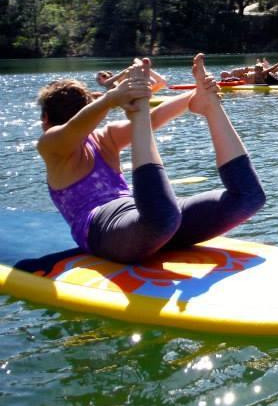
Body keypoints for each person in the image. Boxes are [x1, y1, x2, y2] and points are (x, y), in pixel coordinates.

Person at [37, 54, 265, 264]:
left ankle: (210, 107)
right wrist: (112, 99)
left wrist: (197, 94)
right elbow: (73, 128)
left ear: (45, 118)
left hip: (134, 223)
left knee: (248, 198)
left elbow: (153, 119)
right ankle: (142, 112)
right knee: (163, 218)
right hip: (124, 227)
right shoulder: (67, 141)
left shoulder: (82, 140)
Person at [97, 64, 167, 93]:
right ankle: (145, 68)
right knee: (162, 82)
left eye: (99, 79)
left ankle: (145, 68)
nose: (98, 81)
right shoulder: (113, 82)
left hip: (135, 94)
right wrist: (129, 68)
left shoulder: (109, 83)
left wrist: (130, 69)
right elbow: (119, 75)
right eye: (97, 79)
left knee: (162, 82)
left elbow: (118, 75)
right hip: (137, 93)